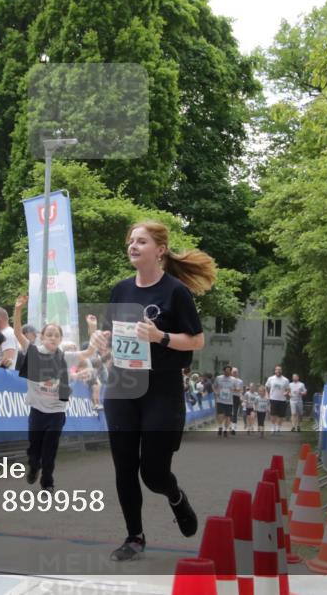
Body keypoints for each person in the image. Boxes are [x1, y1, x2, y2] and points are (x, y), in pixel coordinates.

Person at [93, 221, 216, 561]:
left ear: (159, 250)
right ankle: (134, 536)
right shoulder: (120, 290)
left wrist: (160, 337)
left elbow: (197, 340)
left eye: (141, 241)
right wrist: (101, 340)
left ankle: (175, 496)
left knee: (154, 473)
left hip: (161, 389)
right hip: (122, 386)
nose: (133, 246)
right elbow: (111, 337)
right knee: (124, 467)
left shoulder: (175, 291)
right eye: (131, 240)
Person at [12, 295, 98, 492]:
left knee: (50, 450)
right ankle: (34, 467)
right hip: (37, 410)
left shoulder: (66, 357)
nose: (52, 337)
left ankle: (48, 483)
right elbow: (17, 333)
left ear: (60, 340)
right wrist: (18, 310)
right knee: (35, 450)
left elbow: (89, 352)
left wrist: (92, 328)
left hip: (57, 411)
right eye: (48, 334)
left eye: (56, 335)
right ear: (41, 337)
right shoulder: (33, 352)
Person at [266, 365, 291, 433]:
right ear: (275, 371)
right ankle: (273, 427)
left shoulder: (285, 380)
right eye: (277, 370)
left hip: (282, 399)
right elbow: (267, 387)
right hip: (273, 398)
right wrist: (267, 395)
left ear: (281, 371)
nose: (278, 371)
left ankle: (278, 427)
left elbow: (288, 389)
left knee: (281, 415)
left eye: (280, 370)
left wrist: (286, 393)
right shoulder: (271, 378)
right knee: (273, 414)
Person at [215, 366, 234, 436]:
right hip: (220, 400)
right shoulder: (218, 378)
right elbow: (214, 386)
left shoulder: (233, 379)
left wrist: (234, 390)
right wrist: (216, 392)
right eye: (226, 371)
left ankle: (225, 430)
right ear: (223, 371)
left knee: (228, 416)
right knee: (220, 414)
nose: (227, 372)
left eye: (229, 371)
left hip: (229, 401)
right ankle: (220, 427)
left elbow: (238, 389)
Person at [230, 366, 244, 431]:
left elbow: (240, 390)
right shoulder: (228, 380)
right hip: (229, 397)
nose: (234, 373)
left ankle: (234, 426)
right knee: (229, 412)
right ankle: (230, 424)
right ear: (231, 373)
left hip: (236, 397)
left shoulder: (240, 381)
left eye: (236, 372)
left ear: (237, 373)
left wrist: (241, 397)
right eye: (233, 372)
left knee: (235, 412)